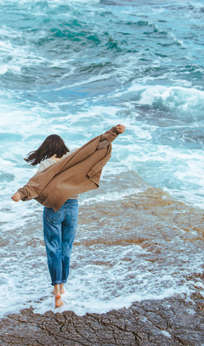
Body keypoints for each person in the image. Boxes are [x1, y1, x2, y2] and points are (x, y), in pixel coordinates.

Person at [11, 124, 125, 308]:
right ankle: (62, 286)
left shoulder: (46, 164)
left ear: (46, 149)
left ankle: (56, 290)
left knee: (53, 247)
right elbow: (94, 149)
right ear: (62, 146)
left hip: (54, 208)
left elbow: (38, 184)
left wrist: (22, 194)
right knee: (66, 247)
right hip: (72, 206)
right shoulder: (74, 159)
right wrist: (113, 133)